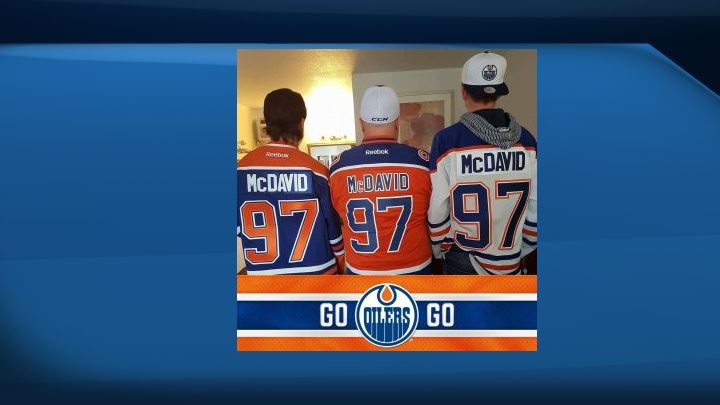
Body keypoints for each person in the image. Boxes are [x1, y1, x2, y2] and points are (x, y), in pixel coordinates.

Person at [428, 52, 537, 275]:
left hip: (464, 258)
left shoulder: (447, 141)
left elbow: (438, 209)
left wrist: (441, 248)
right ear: (499, 92)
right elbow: (536, 208)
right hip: (510, 259)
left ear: (463, 91)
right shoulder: (527, 141)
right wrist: (519, 250)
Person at [237, 88, 344, 275]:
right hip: (317, 277)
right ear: (301, 122)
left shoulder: (239, 171)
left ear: (267, 123)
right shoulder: (317, 172)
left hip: (265, 280)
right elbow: (334, 235)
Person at [329, 85, 433, 275]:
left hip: (362, 271)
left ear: (361, 123)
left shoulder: (338, 168)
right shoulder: (422, 162)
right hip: (415, 269)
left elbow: (337, 220)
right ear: (397, 122)